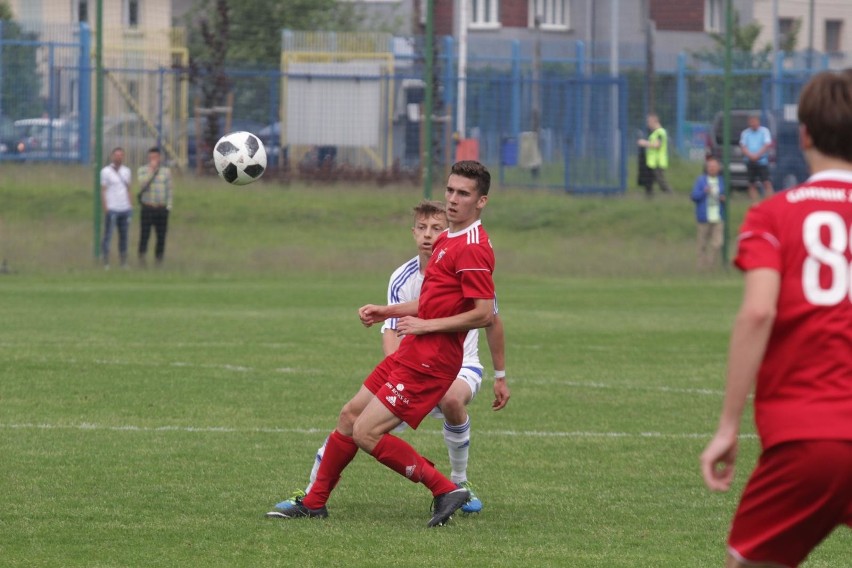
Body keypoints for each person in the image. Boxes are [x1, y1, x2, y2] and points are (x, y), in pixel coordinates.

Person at [266, 160, 497, 528]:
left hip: (432, 360)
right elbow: (434, 302)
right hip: (412, 353)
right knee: (349, 416)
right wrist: (385, 310)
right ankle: (314, 501)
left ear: (481, 201)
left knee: (366, 432)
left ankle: (445, 488)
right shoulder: (447, 239)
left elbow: (484, 313)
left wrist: (426, 326)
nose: (453, 199)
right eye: (450, 190)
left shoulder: (472, 247)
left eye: (463, 194)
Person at [700, 70, 852, 568]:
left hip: (811, 437)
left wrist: (727, 426)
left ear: (803, 134)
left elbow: (759, 310)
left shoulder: (773, 214)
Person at [137, 147, 173, 267]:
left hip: (161, 208)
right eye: (151, 157)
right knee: (145, 235)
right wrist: (151, 171)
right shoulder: (142, 170)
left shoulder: (166, 172)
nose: (154, 159)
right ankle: (142, 258)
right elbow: (142, 184)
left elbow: (169, 190)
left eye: (156, 157)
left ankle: (159, 260)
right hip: (148, 207)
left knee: (161, 236)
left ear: (160, 158)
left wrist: (168, 206)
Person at [690, 156, 726, 270]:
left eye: (714, 166)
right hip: (704, 217)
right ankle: (701, 267)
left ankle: (711, 265)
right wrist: (704, 192)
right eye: (710, 166)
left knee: (717, 243)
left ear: (719, 168)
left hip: (718, 217)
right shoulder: (701, 180)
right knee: (702, 245)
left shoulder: (722, 181)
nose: (712, 168)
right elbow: (694, 196)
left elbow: (726, 195)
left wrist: (723, 198)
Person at [99, 147, 133, 269]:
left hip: (125, 208)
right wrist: (106, 207)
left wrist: (130, 206)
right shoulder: (105, 172)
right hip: (112, 208)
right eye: (116, 155)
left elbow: (128, 189)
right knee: (108, 235)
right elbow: (103, 190)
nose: (118, 157)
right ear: (112, 156)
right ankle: (106, 261)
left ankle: (123, 262)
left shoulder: (127, 171)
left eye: (121, 155)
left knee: (124, 236)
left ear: (123, 157)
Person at [739, 114, 774, 204]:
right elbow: (743, 146)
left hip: (762, 161)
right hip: (750, 161)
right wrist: (751, 156)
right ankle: (755, 204)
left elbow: (767, 144)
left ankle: (768, 204)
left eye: (754, 121)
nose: (753, 123)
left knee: (766, 182)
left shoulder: (764, 131)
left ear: (758, 121)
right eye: (751, 121)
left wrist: (757, 155)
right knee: (751, 184)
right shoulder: (745, 133)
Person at [637, 113, 673, 196]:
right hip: (653, 161)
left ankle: (670, 194)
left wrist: (644, 143)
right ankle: (649, 195)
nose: (648, 124)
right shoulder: (655, 133)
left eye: (649, 122)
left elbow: (657, 145)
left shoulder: (660, 132)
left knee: (660, 180)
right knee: (650, 179)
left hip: (658, 161)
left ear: (655, 121)